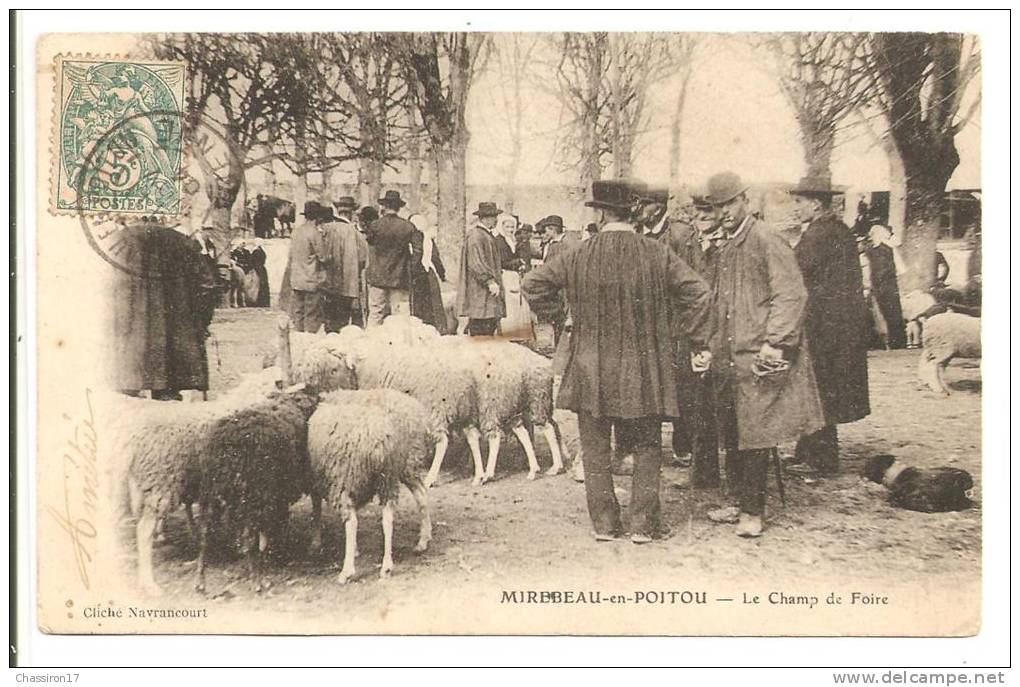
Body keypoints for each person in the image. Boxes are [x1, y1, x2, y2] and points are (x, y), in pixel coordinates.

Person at [522, 180, 713, 544]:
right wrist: (688, 335)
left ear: (602, 212)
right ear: (633, 211)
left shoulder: (579, 253)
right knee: (646, 444)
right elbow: (699, 293)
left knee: (594, 446)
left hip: (591, 364)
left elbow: (533, 284)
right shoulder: (656, 253)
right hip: (644, 366)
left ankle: (605, 525)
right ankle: (643, 525)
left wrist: (564, 316)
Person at [703, 172, 825, 538]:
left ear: (745, 201)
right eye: (718, 206)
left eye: (729, 204)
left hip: (759, 354)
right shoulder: (728, 246)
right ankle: (738, 499)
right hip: (729, 354)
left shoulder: (766, 239)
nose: (723, 212)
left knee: (756, 432)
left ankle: (752, 511)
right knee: (732, 429)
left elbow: (791, 295)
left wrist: (775, 342)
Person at [636, 187, 720, 489]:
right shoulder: (637, 233)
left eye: (644, 204)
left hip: (677, 327)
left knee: (686, 391)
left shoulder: (681, 235)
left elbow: (695, 283)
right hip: (648, 326)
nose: (639, 209)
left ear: (658, 207)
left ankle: (687, 451)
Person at [787, 176, 871, 477]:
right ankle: (808, 449)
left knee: (819, 386)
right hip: (838, 324)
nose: (794, 208)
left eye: (799, 202)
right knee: (821, 386)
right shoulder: (838, 231)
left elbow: (794, 270)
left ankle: (822, 459)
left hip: (825, 325)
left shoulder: (819, 235)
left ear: (816, 204)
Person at [110, 221, 220, 400]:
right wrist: (202, 321)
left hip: (127, 344)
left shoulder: (115, 241)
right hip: (175, 342)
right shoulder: (183, 242)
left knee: (124, 399)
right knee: (168, 399)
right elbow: (207, 286)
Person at [365, 190, 422, 326]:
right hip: (399, 277)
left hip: (377, 276)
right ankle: (399, 345)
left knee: (375, 313)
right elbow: (418, 250)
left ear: (384, 206)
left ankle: (370, 343)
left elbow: (370, 243)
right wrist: (411, 268)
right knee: (400, 315)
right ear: (398, 207)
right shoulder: (408, 226)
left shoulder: (375, 226)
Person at [456, 202, 506, 336]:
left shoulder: (486, 235)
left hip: (485, 295)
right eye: (493, 216)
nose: (496, 220)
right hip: (480, 292)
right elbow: (476, 263)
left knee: (488, 325)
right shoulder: (476, 236)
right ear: (484, 218)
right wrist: (489, 281)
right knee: (481, 326)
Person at [321, 196, 369, 332]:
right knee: (343, 321)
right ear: (352, 212)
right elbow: (363, 258)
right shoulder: (353, 232)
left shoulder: (325, 228)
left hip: (327, 282)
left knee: (329, 320)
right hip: (347, 284)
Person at [287, 200, 331, 333]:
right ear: (318, 217)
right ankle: (309, 342)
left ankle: (298, 341)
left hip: (296, 279)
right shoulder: (315, 233)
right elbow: (323, 257)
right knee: (312, 315)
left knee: (298, 313)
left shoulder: (296, 232)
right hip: (311, 279)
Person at [866, 224, 907, 349]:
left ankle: (897, 341)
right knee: (888, 312)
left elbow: (892, 269)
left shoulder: (885, 249)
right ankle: (895, 340)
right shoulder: (876, 250)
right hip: (884, 285)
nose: (871, 238)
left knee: (891, 312)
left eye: (872, 235)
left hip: (885, 285)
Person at [408, 213, 449, 334]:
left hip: (416, 273)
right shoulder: (428, 238)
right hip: (428, 272)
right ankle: (437, 328)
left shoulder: (411, 238)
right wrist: (442, 275)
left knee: (419, 303)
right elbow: (436, 259)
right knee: (433, 303)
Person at [496, 213, 534, 341]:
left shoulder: (512, 240)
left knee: (516, 303)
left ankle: (515, 332)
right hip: (506, 275)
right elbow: (502, 261)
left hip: (513, 275)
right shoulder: (499, 241)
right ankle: (508, 332)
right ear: (501, 227)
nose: (510, 230)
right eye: (507, 227)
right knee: (509, 303)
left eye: (512, 227)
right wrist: (518, 262)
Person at [248, 239, 271, 307]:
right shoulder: (262, 251)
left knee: (257, 285)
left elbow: (251, 261)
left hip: (257, 269)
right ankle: (265, 302)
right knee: (263, 285)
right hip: (262, 269)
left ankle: (258, 301)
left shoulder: (255, 252)